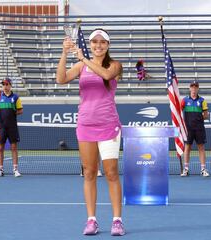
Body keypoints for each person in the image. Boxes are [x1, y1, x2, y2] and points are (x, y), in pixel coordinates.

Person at [56, 28, 125, 236]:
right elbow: (60, 79)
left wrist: (84, 58)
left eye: (102, 42)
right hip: (85, 126)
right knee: (89, 173)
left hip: (108, 125)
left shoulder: (114, 65)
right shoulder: (80, 65)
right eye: (94, 42)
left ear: (108, 45)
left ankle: (117, 221)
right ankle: (92, 220)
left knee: (111, 173)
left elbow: (105, 74)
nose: (98, 45)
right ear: (91, 43)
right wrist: (65, 53)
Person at [180, 80, 210, 177]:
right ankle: (186, 169)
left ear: (198, 88)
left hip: (199, 128)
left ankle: (203, 169)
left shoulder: (202, 101)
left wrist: (199, 117)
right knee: (187, 148)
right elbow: (178, 112)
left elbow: (206, 116)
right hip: (188, 129)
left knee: (201, 148)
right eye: (192, 87)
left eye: (195, 87)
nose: (194, 88)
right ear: (189, 88)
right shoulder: (184, 100)